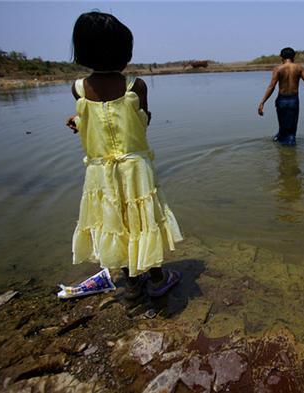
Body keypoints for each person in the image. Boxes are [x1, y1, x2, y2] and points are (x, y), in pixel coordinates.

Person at [65, 12, 183, 299]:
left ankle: (130, 282)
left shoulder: (78, 89)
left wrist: (78, 121)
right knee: (142, 220)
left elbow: (98, 121)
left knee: (114, 220)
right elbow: (141, 122)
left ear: (82, 52)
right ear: (123, 53)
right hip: (135, 169)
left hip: (100, 173)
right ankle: (156, 279)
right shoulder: (135, 87)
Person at [258, 47, 304, 146]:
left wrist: (262, 102)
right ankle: (290, 153)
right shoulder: (299, 68)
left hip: (281, 101)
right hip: (293, 101)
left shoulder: (278, 69)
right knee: (291, 132)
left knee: (282, 128)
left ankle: (283, 154)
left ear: (281, 57)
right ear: (293, 57)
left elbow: (271, 87)